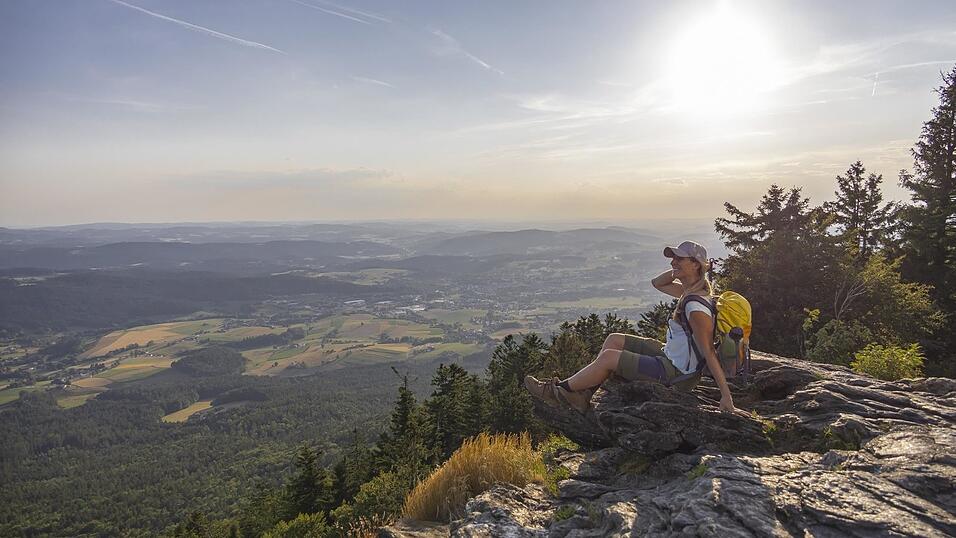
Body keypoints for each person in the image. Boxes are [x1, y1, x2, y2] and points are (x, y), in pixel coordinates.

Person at [525, 240, 739, 414]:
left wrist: (726, 396)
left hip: (677, 373)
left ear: (695, 264)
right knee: (614, 339)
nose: (673, 261)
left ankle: (557, 392)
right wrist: (676, 270)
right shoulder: (689, 292)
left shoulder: (694, 306)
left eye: (679, 258)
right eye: (673, 257)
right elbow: (657, 283)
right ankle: (582, 395)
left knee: (609, 357)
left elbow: (709, 352)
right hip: (670, 356)